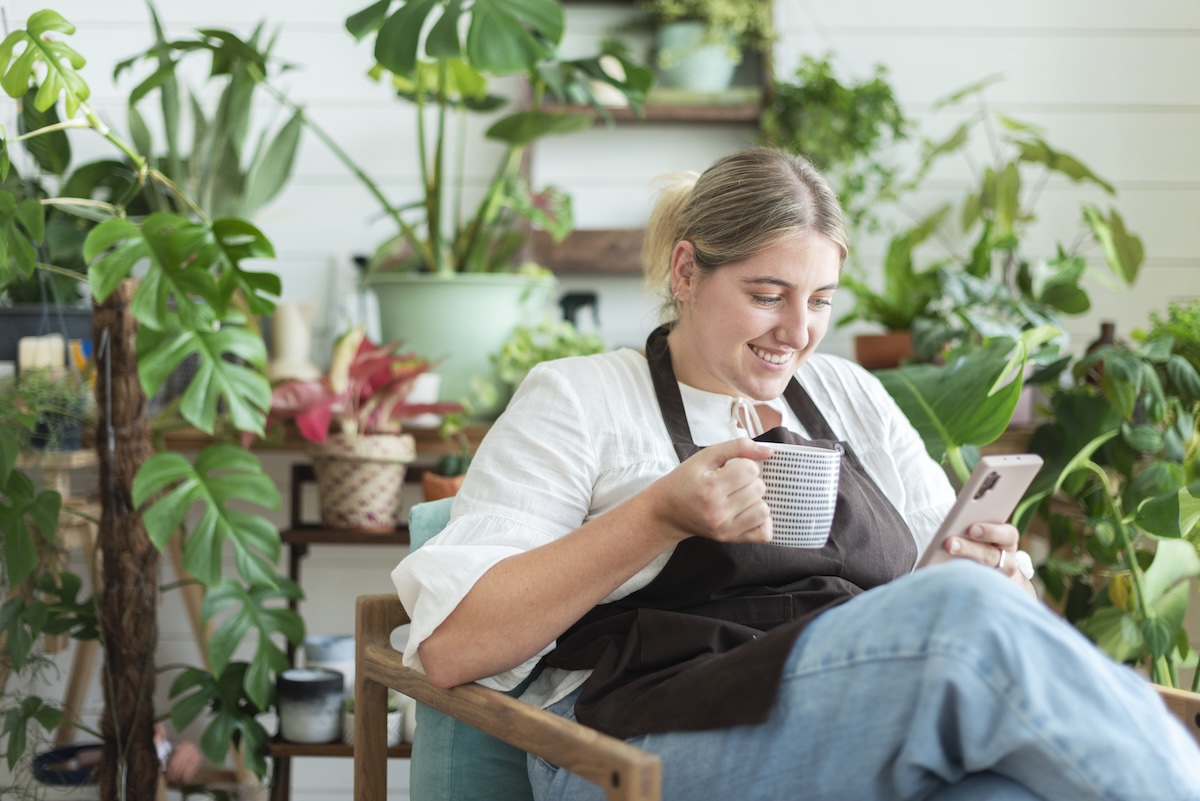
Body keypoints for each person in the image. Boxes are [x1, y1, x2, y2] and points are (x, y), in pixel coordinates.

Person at [393, 147, 1200, 800]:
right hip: (630, 744)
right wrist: (659, 515)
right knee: (962, 615)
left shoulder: (848, 392)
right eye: (768, 294)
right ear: (685, 272)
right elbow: (456, 646)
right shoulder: (581, 397)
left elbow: (936, 595)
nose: (798, 331)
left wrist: (993, 572)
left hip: (836, 711)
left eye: (821, 300)